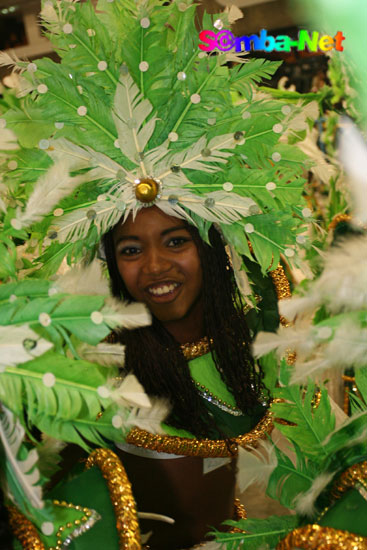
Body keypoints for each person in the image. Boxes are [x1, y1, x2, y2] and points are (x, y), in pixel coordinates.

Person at [102, 206, 269, 548]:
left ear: (209, 247)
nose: (155, 266)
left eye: (176, 241)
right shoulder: (98, 371)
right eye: (131, 250)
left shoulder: (244, 348)